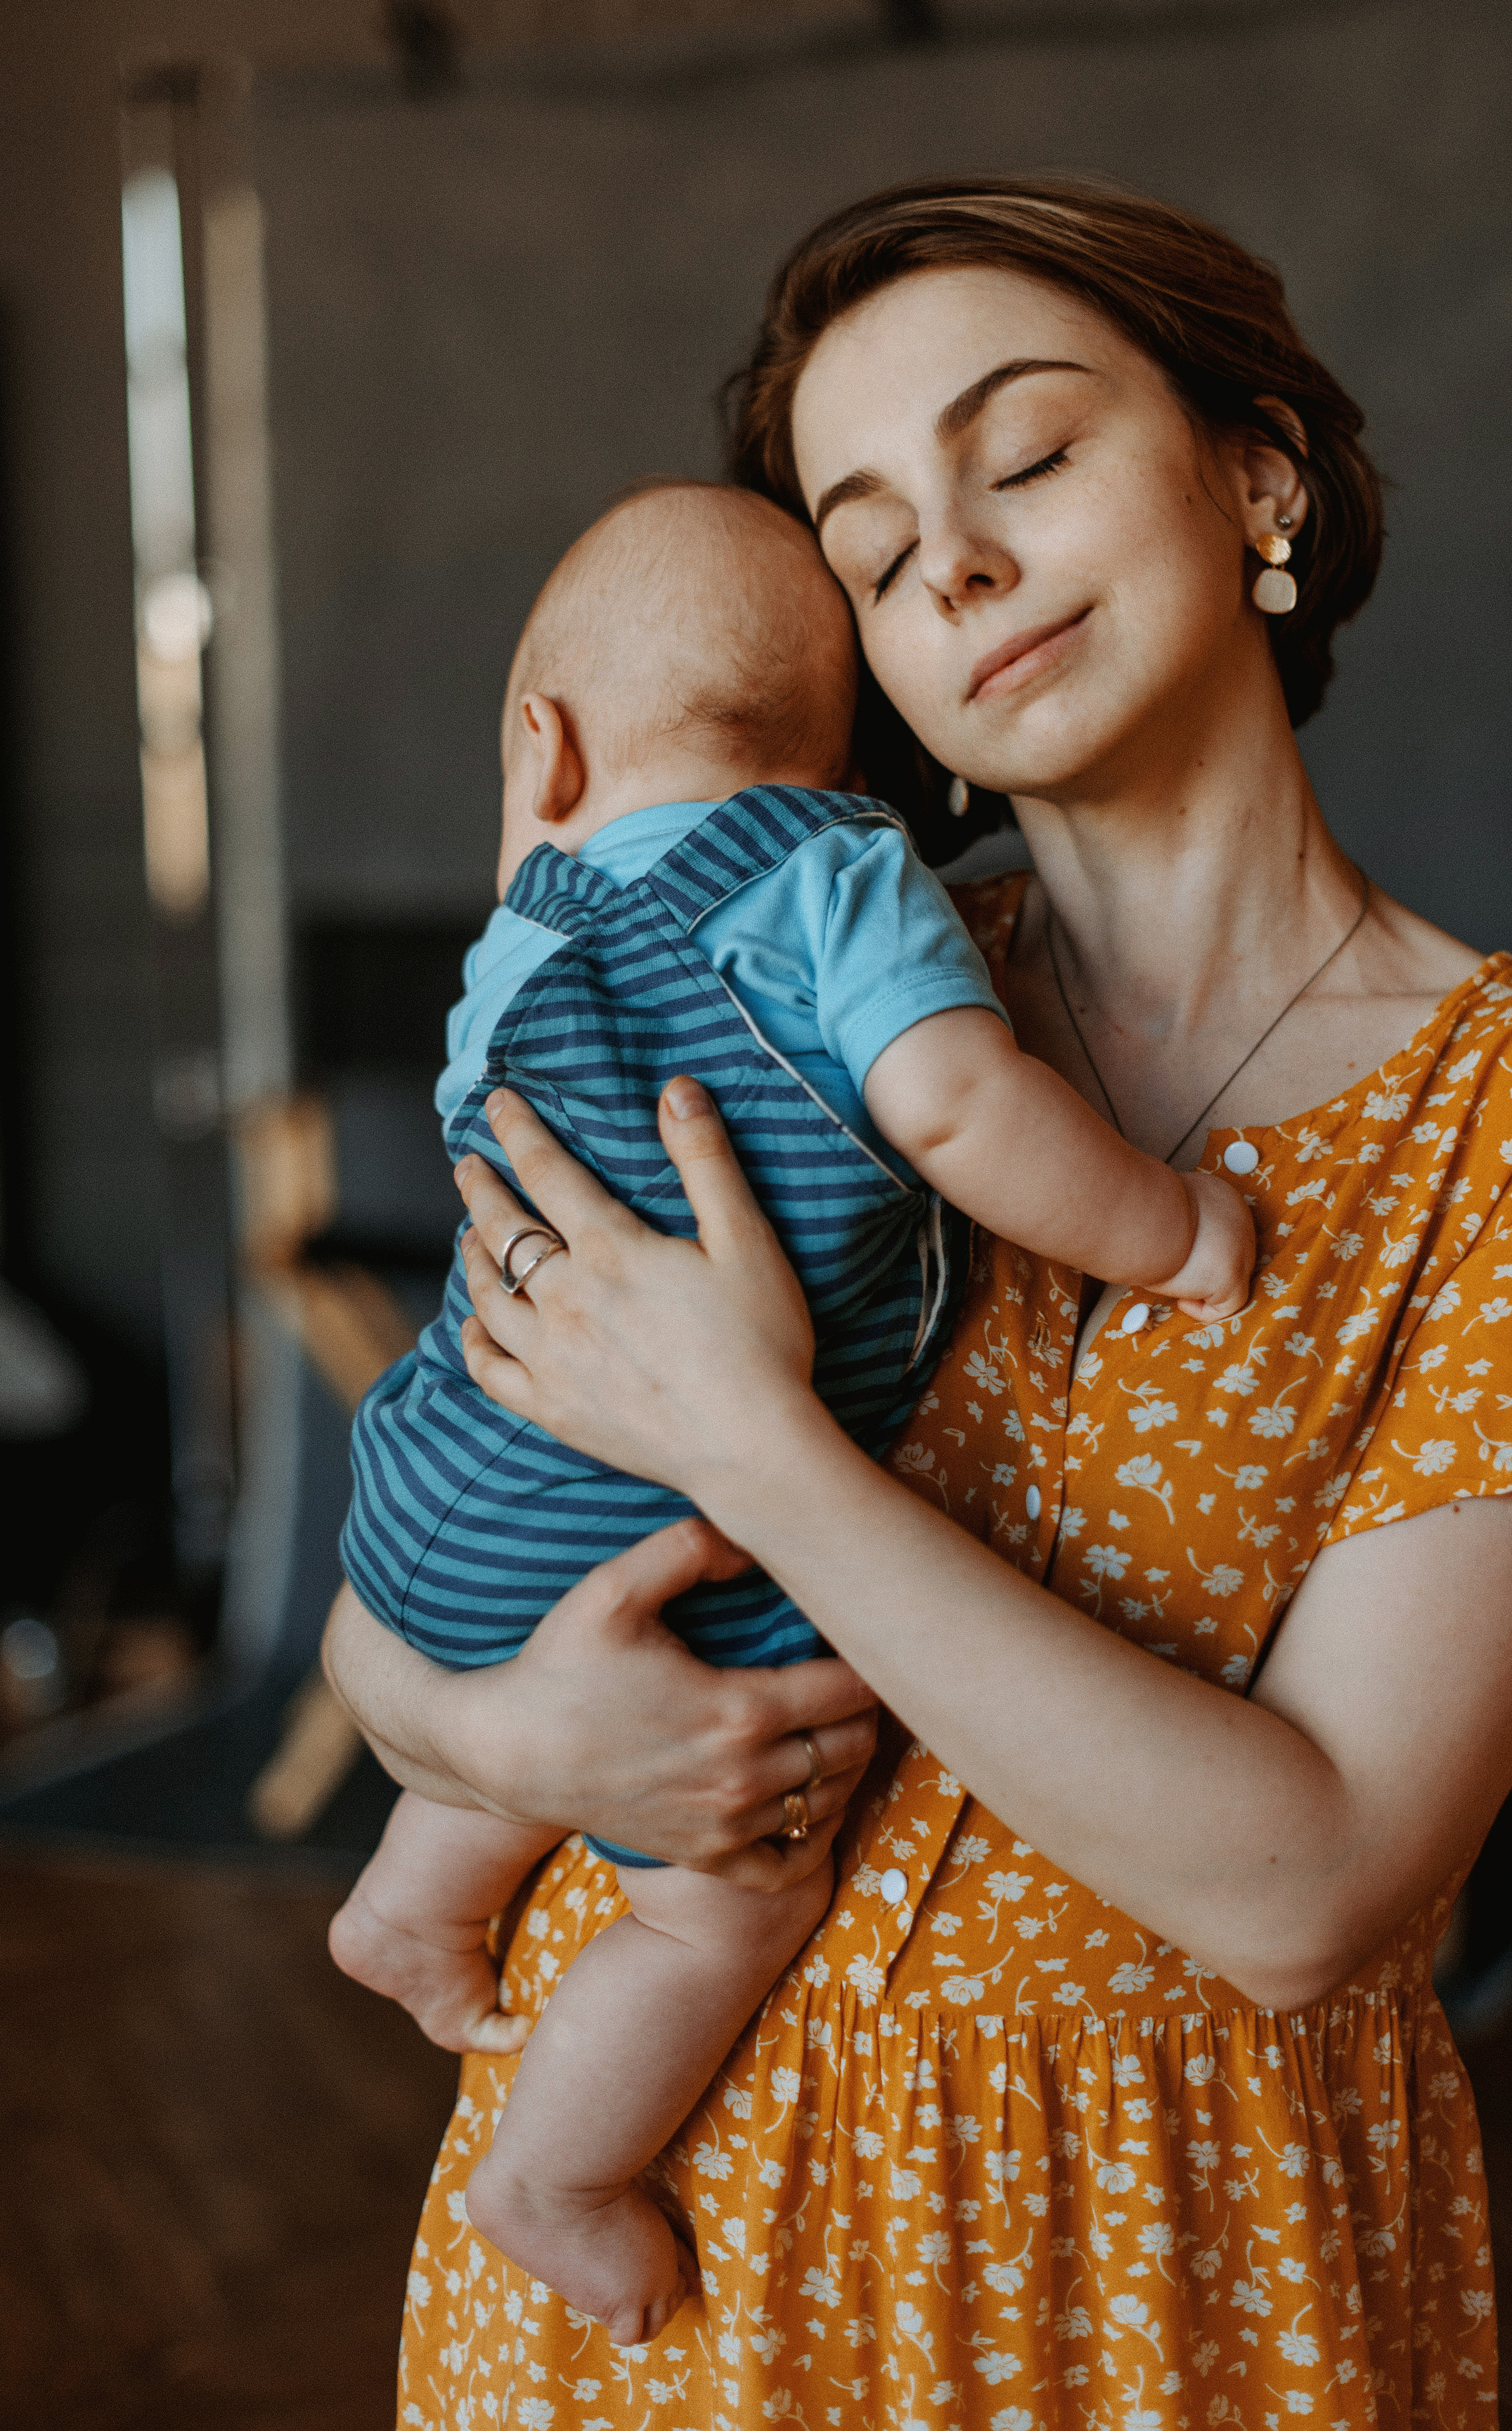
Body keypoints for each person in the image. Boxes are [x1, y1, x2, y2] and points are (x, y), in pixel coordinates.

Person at [322, 177, 1512, 2428]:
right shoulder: (736, 1003)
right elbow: (444, 1520)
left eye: (1024, 457)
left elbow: (1309, 1881)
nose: (953, 557)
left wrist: (761, 1457)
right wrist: (517, 1747)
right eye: (862, 538)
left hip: (1153, 2287)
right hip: (646, 2275)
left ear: (1258, 472)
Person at [328, 477, 1253, 2346]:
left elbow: (491, 1167)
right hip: (655, 1510)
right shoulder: (833, 876)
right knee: (728, 1896)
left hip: (439, 1455)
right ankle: (562, 2166)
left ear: (546, 746)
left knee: (514, 1614)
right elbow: (957, 1112)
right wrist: (1169, 1227)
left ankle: (415, 1891)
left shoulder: (523, 933)